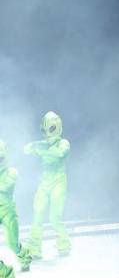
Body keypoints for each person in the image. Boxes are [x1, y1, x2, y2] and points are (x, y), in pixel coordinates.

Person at [22, 111, 71, 263]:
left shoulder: (63, 143)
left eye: (50, 128)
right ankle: (34, 248)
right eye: (45, 130)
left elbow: (60, 153)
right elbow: (26, 149)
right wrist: (38, 146)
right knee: (38, 214)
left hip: (59, 182)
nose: (47, 133)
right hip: (44, 183)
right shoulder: (43, 144)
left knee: (55, 217)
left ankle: (64, 243)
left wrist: (41, 149)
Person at [0, 140, 28, 278]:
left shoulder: (12, 172)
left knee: (12, 243)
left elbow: (5, 187)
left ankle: (24, 256)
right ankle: (6, 273)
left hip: (7, 212)